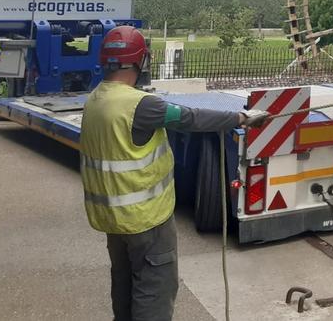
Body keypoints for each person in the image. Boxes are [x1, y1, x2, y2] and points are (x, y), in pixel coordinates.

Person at [80, 25, 270, 321]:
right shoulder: (141, 106)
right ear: (141, 61)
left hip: (113, 221)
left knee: (124, 282)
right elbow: (190, 118)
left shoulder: (95, 98)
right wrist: (241, 118)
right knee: (155, 288)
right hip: (146, 219)